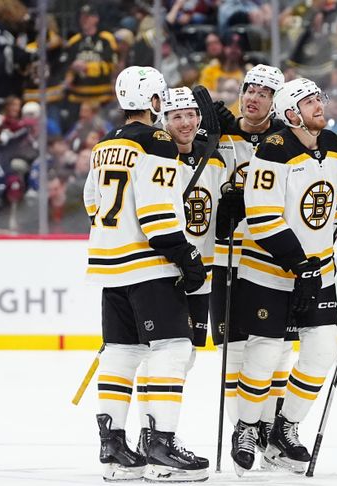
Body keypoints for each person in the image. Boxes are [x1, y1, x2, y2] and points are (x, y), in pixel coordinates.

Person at [83, 66, 208, 483]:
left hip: (109, 264)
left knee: (121, 352)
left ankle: (114, 447)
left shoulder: (104, 145)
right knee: (172, 348)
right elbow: (157, 215)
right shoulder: (158, 141)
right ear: (155, 103)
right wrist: (187, 257)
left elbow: (90, 201)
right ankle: (161, 445)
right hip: (149, 265)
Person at [229, 77, 337, 476]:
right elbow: (262, 217)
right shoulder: (273, 151)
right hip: (269, 270)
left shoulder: (335, 147)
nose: (320, 105)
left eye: (319, 98)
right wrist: (299, 263)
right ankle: (247, 428)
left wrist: (315, 259)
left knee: (320, 352)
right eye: (310, 101)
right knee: (265, 351)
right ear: (291, 113)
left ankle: (284, 428)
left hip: (318, 272)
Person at [135, 86, 227, 455]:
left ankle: (154, 432)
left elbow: (221, 211)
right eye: (176, 116)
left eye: (191, 114)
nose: (185, 122)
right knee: (163, 353)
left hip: (201, 273)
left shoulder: (215, 161)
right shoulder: (158, 158)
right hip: (164, 270)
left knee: (184, 356)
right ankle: (152, 432)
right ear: (163, 120)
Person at [211, 64, 293, 464]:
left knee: (276, 352)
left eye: (264, 92)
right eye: (249, 90)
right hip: (225, 258)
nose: (254, 97)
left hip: (268, 257)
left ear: (276, 101)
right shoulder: (220, 133)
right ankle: (245, 431)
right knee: (237, 350)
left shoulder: (286, 139)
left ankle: (267, 425)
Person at [64, 5, 118, 112]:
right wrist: (70, 73)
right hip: (78, 98)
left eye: (88, 17)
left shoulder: (106, 39)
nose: (84, 20)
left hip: (102, 98)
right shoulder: (73, 41)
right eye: (82, 17)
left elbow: (112, 65)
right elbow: (67, 65)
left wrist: (87, 67)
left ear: (96, 19)